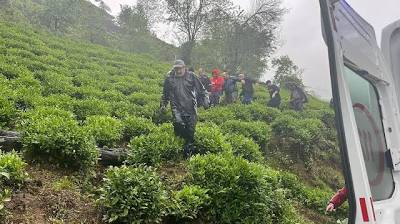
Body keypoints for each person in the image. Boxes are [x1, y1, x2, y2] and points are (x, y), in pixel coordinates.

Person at [160, 60, 209, 158]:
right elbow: (165, 94)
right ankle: (177, 150)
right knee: (179, 125)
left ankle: (187, 155)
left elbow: (202, 90)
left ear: (184, 67)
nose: (178, 70)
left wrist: (205, 99)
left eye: (180, 68)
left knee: (190, 132)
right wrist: (163, 105)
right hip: (176, 108)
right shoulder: (169, 78)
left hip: (190, 108)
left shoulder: (192, 76)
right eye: (176, 68)